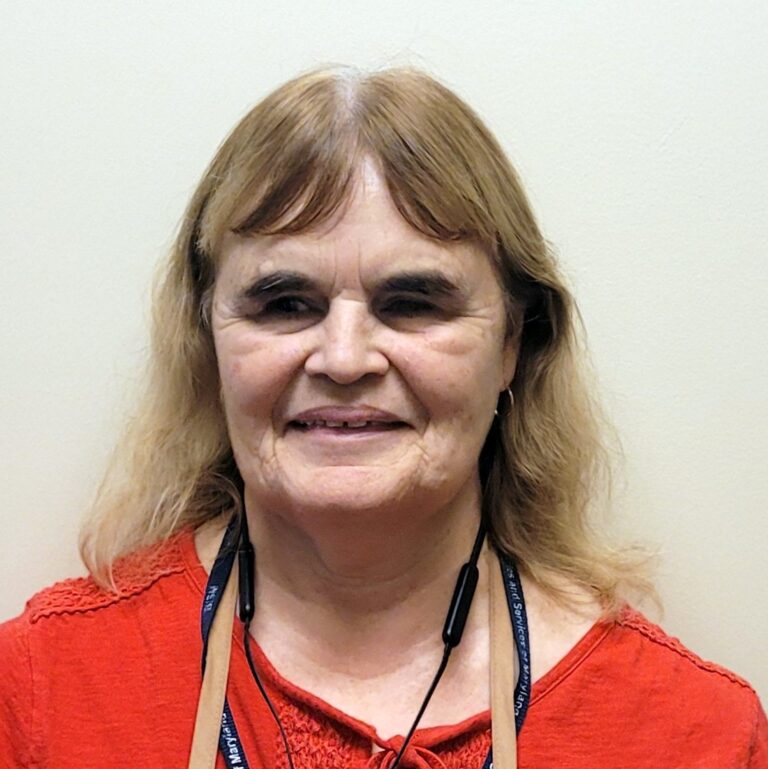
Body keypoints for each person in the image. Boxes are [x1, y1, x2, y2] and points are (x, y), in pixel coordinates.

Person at [0, 66, 765, 769]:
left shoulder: (693, 733)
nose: (343, 357)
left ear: (512, 346)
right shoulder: (45, 690)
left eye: (413, 302)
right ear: (208, 338)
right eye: (284, 303)